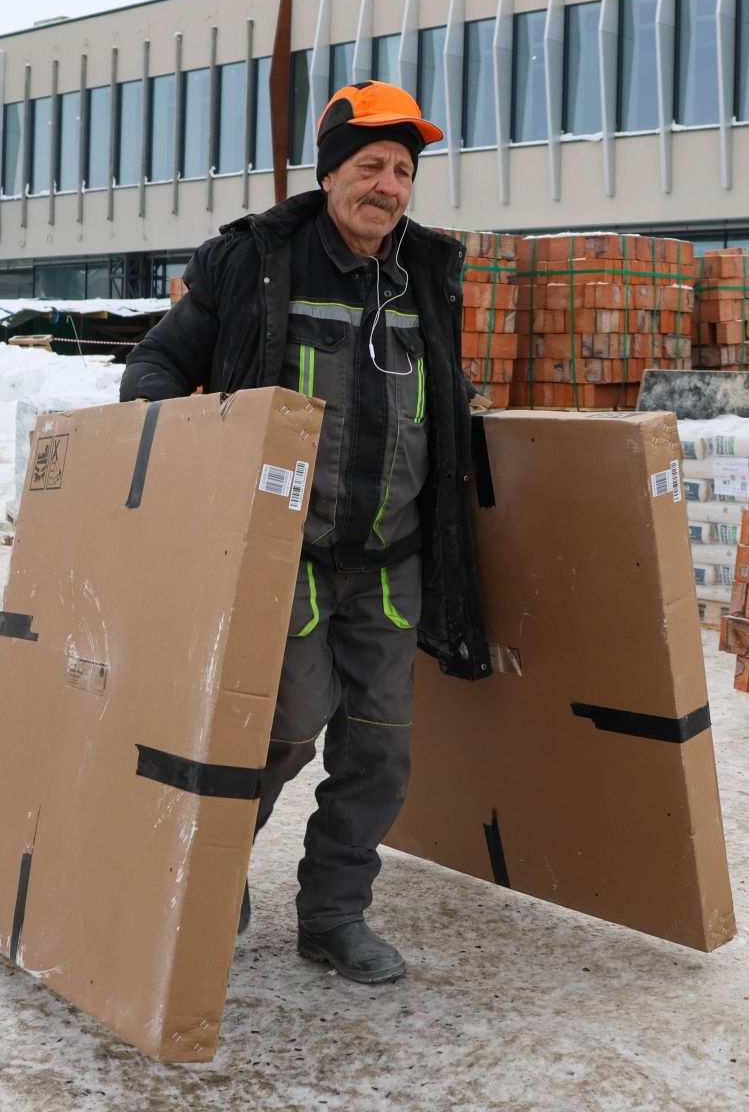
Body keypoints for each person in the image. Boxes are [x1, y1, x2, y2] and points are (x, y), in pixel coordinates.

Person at [120, 80, 490, 985]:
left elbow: (442, 406)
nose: (391, 187)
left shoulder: (426, 277)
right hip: (285, 554)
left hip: (392, 559)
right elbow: (159, 363)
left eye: (404, 171)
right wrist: (180, 452)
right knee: (284, 721)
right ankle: (211, 866)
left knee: (380, 749)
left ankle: (333, 917)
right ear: (330, 173)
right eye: (371, 166)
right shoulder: (255, 263)